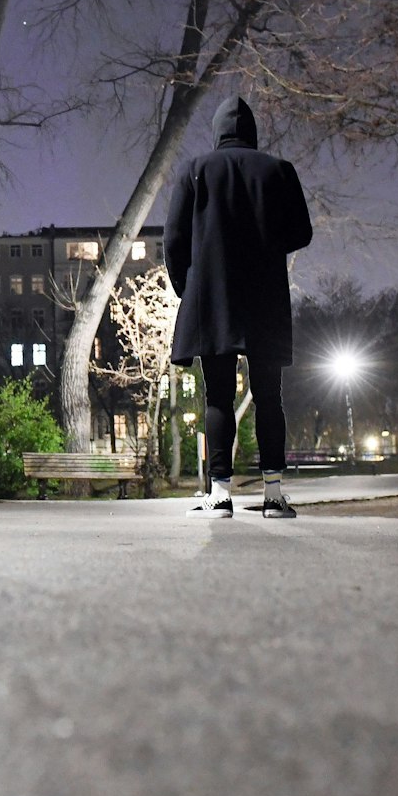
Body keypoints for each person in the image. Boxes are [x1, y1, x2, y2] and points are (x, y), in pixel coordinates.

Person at [164, 94, 313, 519]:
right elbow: (301, 232)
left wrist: (187, 290)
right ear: (251, 131)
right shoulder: (279, 171)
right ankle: (274, 494)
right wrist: (266, 242)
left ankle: (221, 493)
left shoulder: (195, 171)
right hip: (265, 297)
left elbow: (174, 241)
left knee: (218, 399)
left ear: (216, 132)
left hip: (214, 300)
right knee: (270, 397)